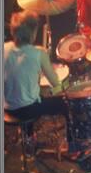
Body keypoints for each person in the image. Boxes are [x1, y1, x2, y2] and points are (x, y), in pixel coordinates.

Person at [4, 11, 70, 155]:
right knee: (66, 104)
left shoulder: (3, 48)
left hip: (6, 109)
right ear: (33, 33)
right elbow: (55, 84)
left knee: (23, 92)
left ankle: (28, 138)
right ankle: (72, 144)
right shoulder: (38, 53)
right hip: (28, 110)